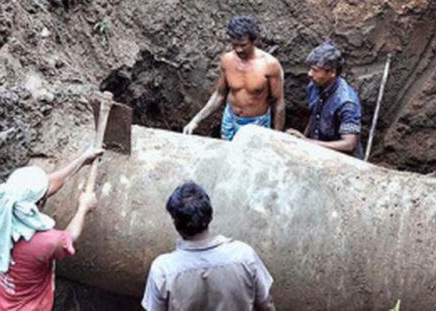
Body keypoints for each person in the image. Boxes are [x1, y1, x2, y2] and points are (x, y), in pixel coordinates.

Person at [0, 148, 102, 311]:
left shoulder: (0, 209)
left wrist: (80, 161)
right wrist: (83, 208)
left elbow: (47, 185)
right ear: (39, 204)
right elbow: (69, 236)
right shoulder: (44, 242)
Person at [142, 182, 275, 311]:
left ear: (176, 224)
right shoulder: (244, 256)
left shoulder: (163, 270)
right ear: (209, 215)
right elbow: (266, 305)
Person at [183, 15, 285, 141]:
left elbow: (278, 102)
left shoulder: (269, 65)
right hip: (230, 120)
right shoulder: (227, 60)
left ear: (253, 41)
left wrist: (277, 137)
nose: (238, 49)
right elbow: (219, 95)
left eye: (243, 45)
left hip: (256, 124)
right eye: (234, 44)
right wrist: (196, 120)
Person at [287, 42, 362, 158]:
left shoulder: (346, 102)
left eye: (315, 70)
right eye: (310, 69)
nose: (309, 74)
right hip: (318, 149)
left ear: (332, 72)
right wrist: (303, 138)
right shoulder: (314, 86)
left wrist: (306, 142)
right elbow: (314, 116)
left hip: (342, 160)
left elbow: (349, 144)